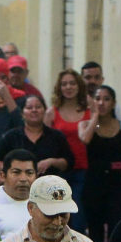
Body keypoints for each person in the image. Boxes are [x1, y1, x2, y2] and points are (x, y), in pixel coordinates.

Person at [78, 85, 121, 242]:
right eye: (97, 99)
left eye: (106, 99)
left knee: (116, 228)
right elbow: (85, 139)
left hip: (117, 184)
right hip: (93, 184)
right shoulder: (85, 125)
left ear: (113, 103)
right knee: (95, 230)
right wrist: (95, 117)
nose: (101, 103)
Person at [44, 69, 91, 227]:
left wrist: (95, 119)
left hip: (83, 170)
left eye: (72, 83)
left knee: (78, 215)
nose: (68, 87)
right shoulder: (51, 113)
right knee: (58, 213)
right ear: (59, 87)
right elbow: (45, 140)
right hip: (60, 172)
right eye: (64, 84)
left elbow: (97, 129)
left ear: (79, 86)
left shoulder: (88, 111)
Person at [0, 95, 73, 177]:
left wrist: (52, 162)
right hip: (18, 185)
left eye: (38, 107)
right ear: (22, 113)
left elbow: (68, 162)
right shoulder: (10, 137)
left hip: (50, 185)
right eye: (29, 107)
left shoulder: (57, 136)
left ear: (45, 110)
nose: (34, 110)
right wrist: (14, 171)